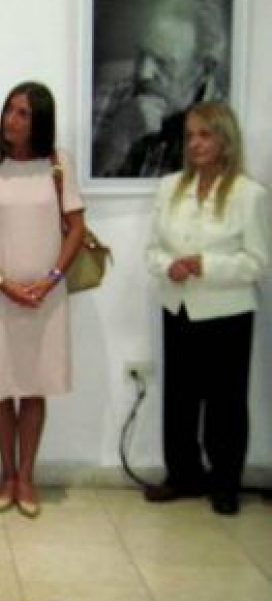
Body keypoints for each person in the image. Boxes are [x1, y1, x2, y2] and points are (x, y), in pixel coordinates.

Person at [0, 81, 86, 518]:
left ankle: (26, 477)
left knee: (33, 387)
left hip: (45, 297)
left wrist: (50, 280)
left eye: (23, 113)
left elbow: (77, 230)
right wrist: (2, 280)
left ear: (40, 121)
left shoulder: (57, 164)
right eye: (9, 110)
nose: (11, 120)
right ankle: (6, 473)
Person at [143, 101, 269, 516]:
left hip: (226, 313)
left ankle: (225, 482)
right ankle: (183, 475)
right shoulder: (169, 187)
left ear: (225, 140)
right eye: (191, 135)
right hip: (177, 306)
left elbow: (257, 262)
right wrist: (170, 266)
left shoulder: (249, 195)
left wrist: (205, 265)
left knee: (225, 403)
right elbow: (153, 249)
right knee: (179, 399)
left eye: (205, 135)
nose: (195, 143)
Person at [91, 0, 228, 177]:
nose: (143, 73)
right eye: (141, 54)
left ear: (204, 68)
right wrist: (116, 141)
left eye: (163, 63)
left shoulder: (228, 125)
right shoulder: (109, 96)